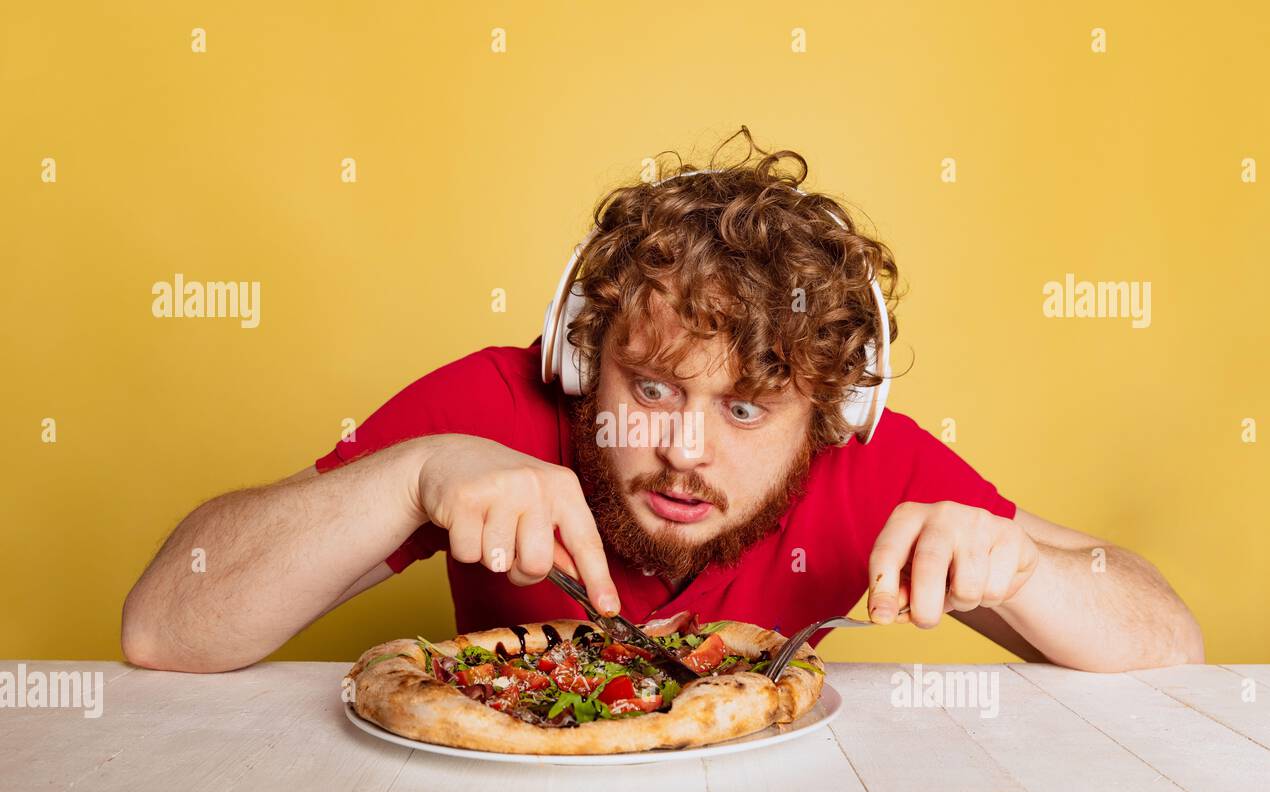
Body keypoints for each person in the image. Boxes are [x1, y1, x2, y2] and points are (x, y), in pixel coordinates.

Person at [121, 129, 1203, 674]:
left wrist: (1019, 567)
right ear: (580, 355)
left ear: (829, 410)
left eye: (744, 410)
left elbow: (1171, 648)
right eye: (650, 388)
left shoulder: (871, 466)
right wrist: (411, 476)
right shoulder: (492, 408)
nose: (684, 451)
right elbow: (165, 626)